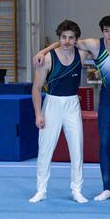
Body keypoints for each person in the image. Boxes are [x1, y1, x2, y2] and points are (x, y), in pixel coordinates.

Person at [35, 14, 110, 201]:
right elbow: (65, 42)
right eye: (107, 31)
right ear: (102, 32)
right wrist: (43, 51)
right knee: (102, 144)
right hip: (104, 101)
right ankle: (106, 188)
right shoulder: (93, 45)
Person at [29, 20, 91, 203]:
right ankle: (41, 190)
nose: (67, 41)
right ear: (59, 37)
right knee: (45, 149)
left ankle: (77, 189)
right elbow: (36, 88)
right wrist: (38, 114)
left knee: (77, 149)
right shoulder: (47, 59)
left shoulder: (81, 54)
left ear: (75, 39)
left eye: (71, 38)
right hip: (52, 104)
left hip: (72, 104)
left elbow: (98, 43)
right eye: (63, 37)